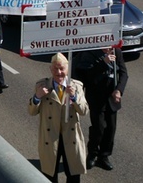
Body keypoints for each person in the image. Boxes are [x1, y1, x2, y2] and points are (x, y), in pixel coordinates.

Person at [28, 52, 89, 182]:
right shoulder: (42, 86)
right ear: (51, 69)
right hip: (51, 138)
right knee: (50, 175)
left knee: (73, 175)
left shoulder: (76, 86)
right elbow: (32, 111)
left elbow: (84, 111)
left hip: (70, 137)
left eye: (62, 69)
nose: (59, 72)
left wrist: (74, 97)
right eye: (55, 69)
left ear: (68, 69)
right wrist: (37, 97)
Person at [73, 46, 128, 171]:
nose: (109, 48)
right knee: (99, 128)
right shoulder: (90, 52)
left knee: (111, 129)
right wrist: (104, 63)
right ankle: (92, 154)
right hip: (96, 98)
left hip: (111, 98)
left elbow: (124, 73)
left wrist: (119, 90)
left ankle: (104, 156)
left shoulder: (117, 52)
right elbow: (87, 76)